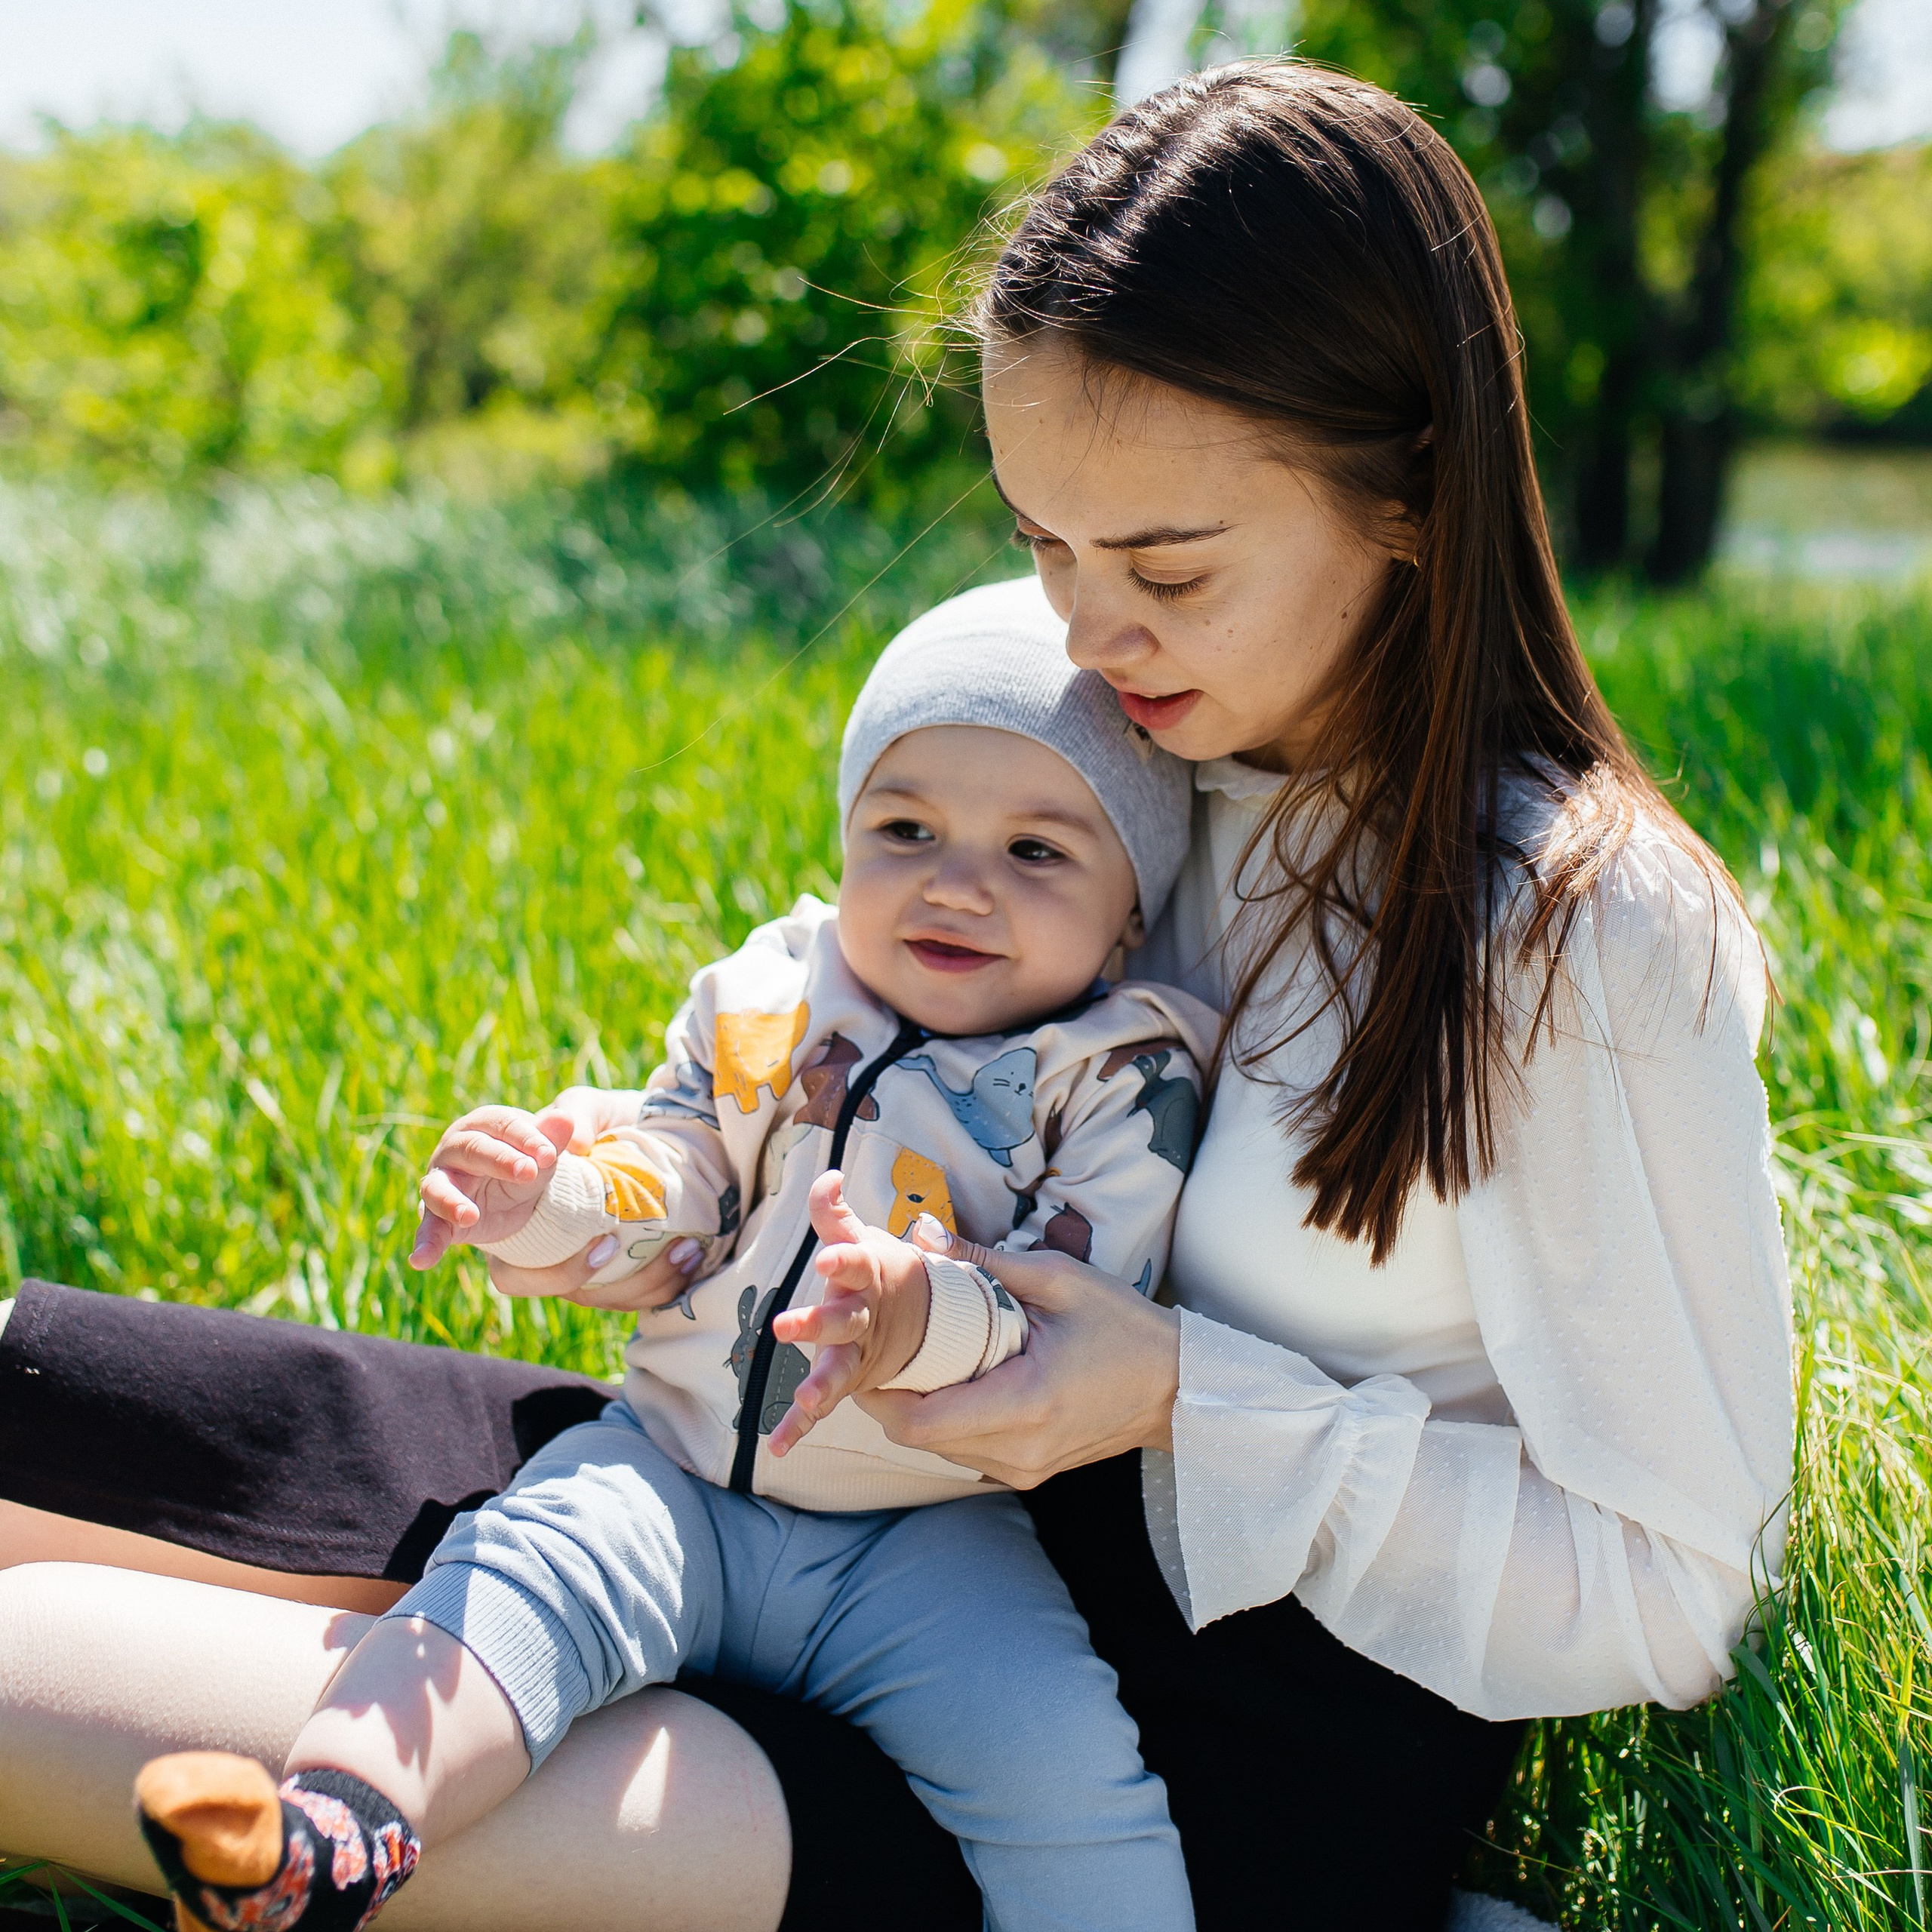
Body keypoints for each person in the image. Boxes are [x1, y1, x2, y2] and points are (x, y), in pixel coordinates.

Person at [0, 60, 1792, 1932]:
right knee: (36, 1410)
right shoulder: (1147, 758)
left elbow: (1676, 1587)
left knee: (26, 1676)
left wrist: (1179, 1398)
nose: (1088, 638)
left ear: (1412, 492)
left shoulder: (1578, 930)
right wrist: (614, 1184)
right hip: (820, 1445)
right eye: (1041, 541)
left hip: (1166, 1734)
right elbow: (824, 1061)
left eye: (1164, 567)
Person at [129, 589, 1214, 1932]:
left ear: (1126, 919)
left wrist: (913, 1312)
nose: (956, 880)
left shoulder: (1117, 1078)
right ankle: (324, 1836)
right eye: (907, 828)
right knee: (504, 1585)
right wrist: (549, 1199)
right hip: (677, 1467)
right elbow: (679, 1175)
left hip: (929, 1539)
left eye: (1037, 850)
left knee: (1064, 1764)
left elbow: (1077, 1292)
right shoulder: (772, 997)